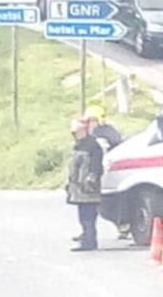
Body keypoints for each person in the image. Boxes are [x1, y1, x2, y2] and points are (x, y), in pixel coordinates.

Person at [82, 105, 131, 240]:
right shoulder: (94, 135)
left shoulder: (105, 133)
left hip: (110, 172)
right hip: (100, 172)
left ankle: (123, 225)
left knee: (107, 202)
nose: (90, 124)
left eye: (93, 120)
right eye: (88, 121)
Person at [66, 117, 103, 252]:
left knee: (88, 215)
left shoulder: (93, 145)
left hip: (88, 189)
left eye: (76, 132)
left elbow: (96, 166)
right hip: (79, 188)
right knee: (83, 215)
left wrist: (91, 179)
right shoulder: (78, 145)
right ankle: (86, 236)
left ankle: (89, 241)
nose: (75, 135)